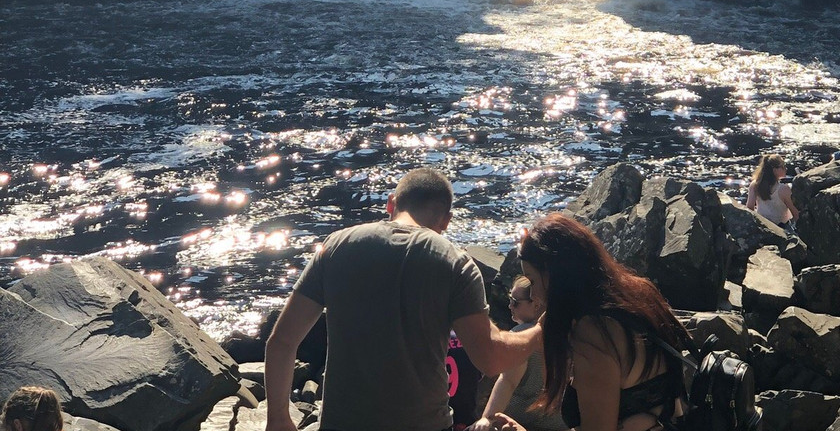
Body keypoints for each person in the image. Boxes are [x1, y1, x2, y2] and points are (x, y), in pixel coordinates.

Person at [264, 169, 542, 431]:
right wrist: (541, 330)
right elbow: (489, 359)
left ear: (390, 203)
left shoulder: (336, 246)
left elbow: (282, 342)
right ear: (446, 220)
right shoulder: (455, 263)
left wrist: (278, 419)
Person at [490, 213, 691, 431]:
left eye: (533, 281)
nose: (535, 295)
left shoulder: (594, 334)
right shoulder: (637, 294)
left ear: (555, 276)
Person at [467, 278, 567, 431]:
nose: (509, 306)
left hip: (518, 422)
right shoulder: (565, 336)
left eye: (515, 302)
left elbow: (508, 382)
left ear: (536, 304)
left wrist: (486, 419)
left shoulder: (522, 334)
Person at [744, 154, 798, 231]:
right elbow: (795, 213)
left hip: (762, 226)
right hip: (781, 227)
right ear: (774, 170)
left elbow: (749, 208)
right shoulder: (783, 189)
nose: (785, 169)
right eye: (782, 166)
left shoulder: (755, 185)